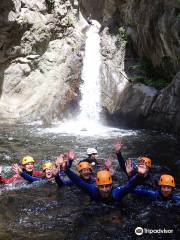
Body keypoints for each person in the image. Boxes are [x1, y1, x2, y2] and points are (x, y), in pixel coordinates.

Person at [64, 159, 148, 203]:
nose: (104, 190)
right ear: (97, 186)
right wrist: (66, 170)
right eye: (101, 186)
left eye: (107, 186)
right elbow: (79, 181)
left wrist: (139, 175)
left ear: (111, 186)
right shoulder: (93, 190)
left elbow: (130, 185)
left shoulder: (116, 193)